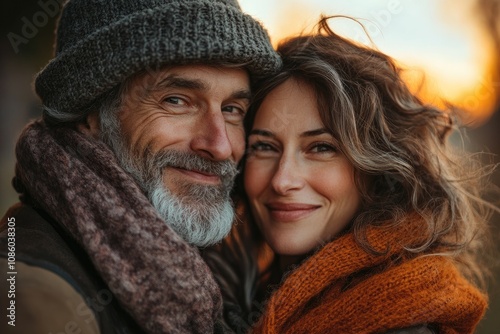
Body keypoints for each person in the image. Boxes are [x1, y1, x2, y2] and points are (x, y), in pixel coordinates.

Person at [0, 0, 281, 333]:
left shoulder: (220, 270)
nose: (220, 146)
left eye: (233, 109)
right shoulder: (35, 298)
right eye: (176, 100)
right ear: (90, 115)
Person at [203, 17, 496, 333]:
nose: (282, 180)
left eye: (321, 148)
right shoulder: (239, 301)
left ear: (375, 167)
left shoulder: (402, 323)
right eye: (264, 146)